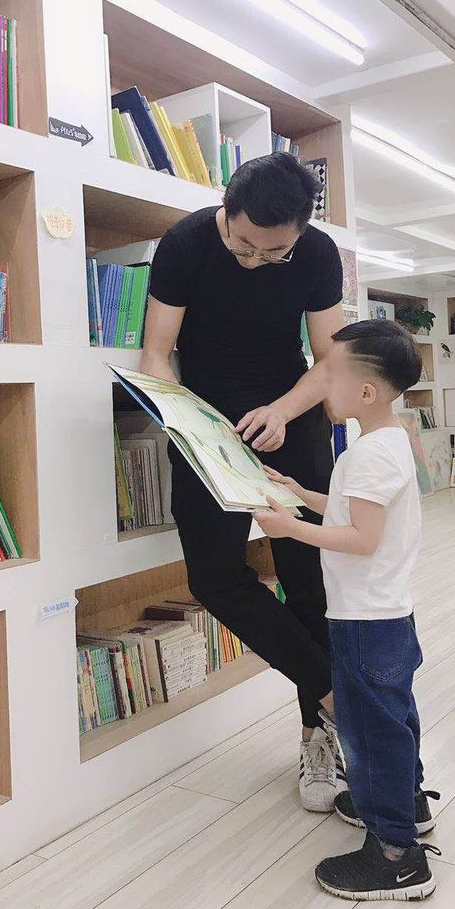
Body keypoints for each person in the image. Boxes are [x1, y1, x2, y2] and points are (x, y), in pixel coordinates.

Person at [140, 152, 345, 810]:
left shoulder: (316, 254)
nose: (254, 259)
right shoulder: (185, 243)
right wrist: (192, 422)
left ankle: (320, 740)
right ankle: (335, 694)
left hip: (293, 419)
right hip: (207, 424)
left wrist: (283, 411)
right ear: (225, 212)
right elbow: (156, 353)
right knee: (214, 577)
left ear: (299, 233)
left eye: (272, 251)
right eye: (243, 244)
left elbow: (330, 357)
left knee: (308, 581)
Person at [254, 319, 441, 901]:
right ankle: (405, 800)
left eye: (330, 374)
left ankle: (396, 856)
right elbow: (354, 512)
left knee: (368, 732)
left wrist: (289, 528)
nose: (320, 385)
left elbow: (361, 538)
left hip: (365, 619)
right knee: (392, 717)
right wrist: (300, 493)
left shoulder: (368, 456)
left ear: (366, 392)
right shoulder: (384, 445)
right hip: (388, 613)